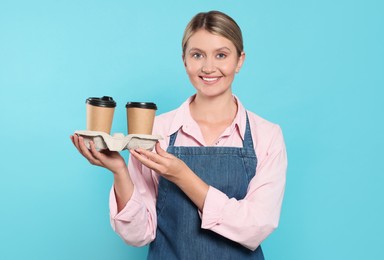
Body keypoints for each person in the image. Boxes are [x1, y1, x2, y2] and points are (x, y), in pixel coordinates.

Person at [71, 10, 287, 260]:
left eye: (221, 55)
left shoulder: (267, 136)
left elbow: (255, 228)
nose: (208, 67)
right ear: (184, 60)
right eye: (197, 55)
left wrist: (183, 176)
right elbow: (138, 234)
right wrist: (120, 171)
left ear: (240, 60)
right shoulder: (155, 133)